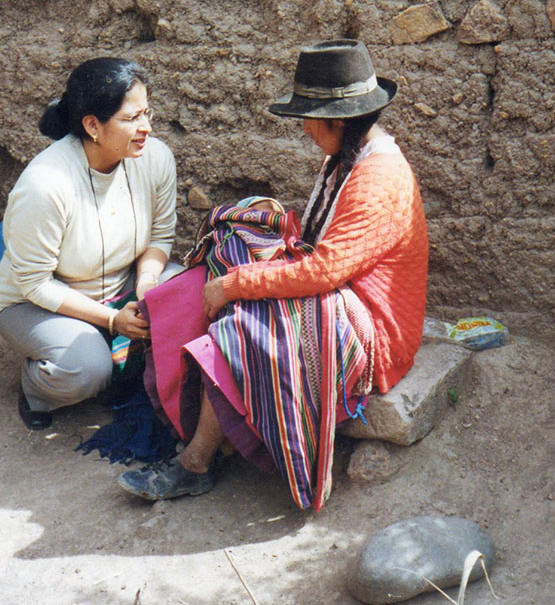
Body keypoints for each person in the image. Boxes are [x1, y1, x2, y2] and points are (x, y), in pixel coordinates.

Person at [117, 39, 428, 507]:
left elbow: (324, 269)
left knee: (245, 326)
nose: (305, 129)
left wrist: (236, 285)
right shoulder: (347, 159)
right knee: (224, 252)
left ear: (339, 121)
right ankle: (201, 414)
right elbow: (323, 248)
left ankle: (196, 462)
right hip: (339, 289)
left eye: (310, 118)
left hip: (374, 332)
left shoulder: (379, 179)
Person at [0, 57, 178, 430]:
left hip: (122, 285)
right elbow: (35, 284)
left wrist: (146, 285)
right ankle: (38, 387)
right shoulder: (45, 186)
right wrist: (112, 320)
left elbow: (161, 234)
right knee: (87, 370)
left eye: (147, 113)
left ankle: (114, 356)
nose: (146, 127)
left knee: (185, 296)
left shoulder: (155, 159)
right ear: (92, 126)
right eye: (132, 118)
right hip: (37, 304)